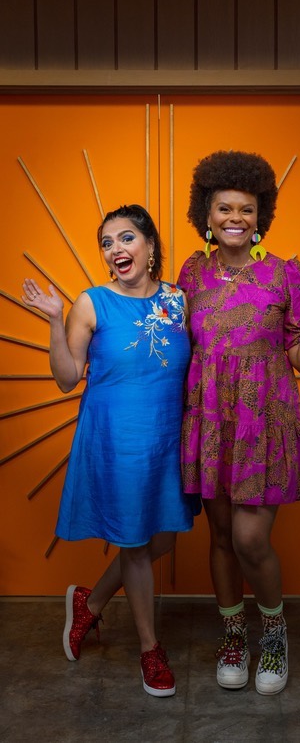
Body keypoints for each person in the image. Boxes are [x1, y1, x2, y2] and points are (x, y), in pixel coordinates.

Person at [178, 150, 300, 696]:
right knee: (220, 536)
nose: (235, 218)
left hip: (263, 423)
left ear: (260, 214)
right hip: (210, 421)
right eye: (224, 208)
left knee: (250, 539)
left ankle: (275, 633)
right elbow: (178, 346)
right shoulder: (192, 272)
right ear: (207, 214)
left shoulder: (285, 273)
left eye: (246, 208)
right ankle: (233, 635)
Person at [22, 204, 199, 698]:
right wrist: (54, 320)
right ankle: (150, 650)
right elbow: (66, 378)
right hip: (116, 441)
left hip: (167, 438)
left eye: (125, 238)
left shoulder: (179, 301)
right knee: (136, 544)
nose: (115, 249)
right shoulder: (91, 303)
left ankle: (91, 602)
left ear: (149, 245)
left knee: (162, 540)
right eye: (106, 242)